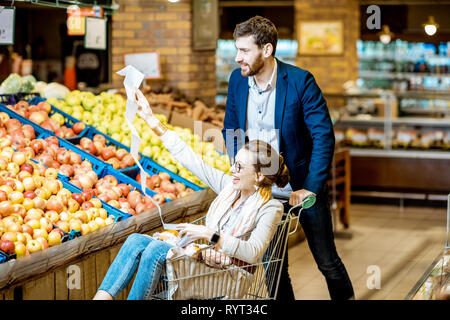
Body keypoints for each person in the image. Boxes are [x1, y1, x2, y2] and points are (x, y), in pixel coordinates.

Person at [93, 88, 290, 300]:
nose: (232, 170)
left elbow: (253, 252)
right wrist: (151, 120)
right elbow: (191, 159)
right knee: (135, 241)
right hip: (205, 262)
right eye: (234, 163)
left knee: (156, 251)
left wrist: (211, 235)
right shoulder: (229, 186)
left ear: (259, 176)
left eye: (240, 167)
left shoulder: (271, 207)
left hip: (228, 277)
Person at [222, 16, 354, 300]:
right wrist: (241, 171)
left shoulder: (299, 81)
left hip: (302, 188)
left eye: (244, 51)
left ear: (266, 50)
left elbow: (323, 136)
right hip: (264, 194)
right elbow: (231, 129)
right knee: (273, 267)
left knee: (327, 262)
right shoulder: (236, 80)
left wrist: (312, 187)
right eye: (237, 49)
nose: (237, 58)